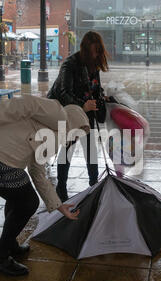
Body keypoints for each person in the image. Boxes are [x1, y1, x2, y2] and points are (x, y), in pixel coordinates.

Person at [0, 95, 90, 276]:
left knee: (18, 195)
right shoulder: (59, 115)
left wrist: (59, 206)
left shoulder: (54, 139)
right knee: (27, 202)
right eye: (79, 132)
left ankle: (9, 244)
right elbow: (24, 103)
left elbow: (37, 173)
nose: (76, 138)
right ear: (74, 123)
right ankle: (0, 257)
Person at [47, 31, 109, 202]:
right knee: (68, 148)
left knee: (91, 147)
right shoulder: (70, 64)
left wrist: (101, 97)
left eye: (98, 51)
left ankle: (94, 184)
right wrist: (83, 105)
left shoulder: (93, 65)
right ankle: (61, 187)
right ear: (86, 50)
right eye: (94, 51)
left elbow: (96, 88)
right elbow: (63, 92)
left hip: (85, 110)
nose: (97, 55)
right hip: (67, 111)